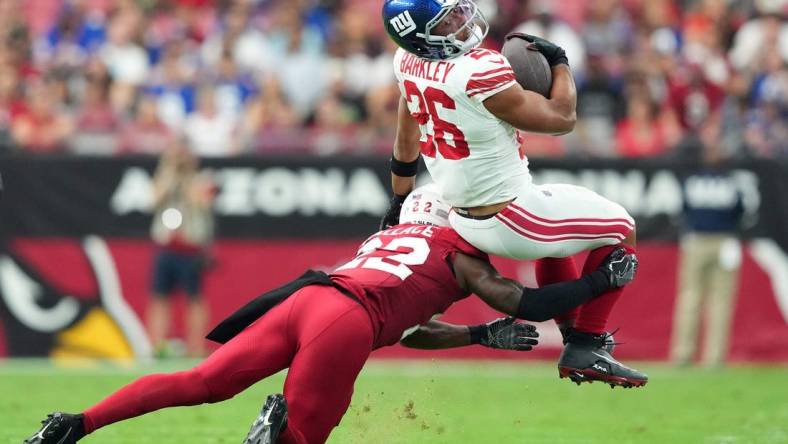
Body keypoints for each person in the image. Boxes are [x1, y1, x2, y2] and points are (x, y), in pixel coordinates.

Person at [24, 185, 638, 444]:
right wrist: (595, 285)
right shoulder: (463, 257)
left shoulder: (387, 240)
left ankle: (75, 425)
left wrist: (477, 334)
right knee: (300, 438)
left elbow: (404, 327)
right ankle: (275, 427)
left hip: (311, 296)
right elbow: (526, 301)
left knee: (200, 382)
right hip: (343, 321)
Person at [380, 0, 646, 386]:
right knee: (622, 229)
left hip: (463, 214)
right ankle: (588, 341)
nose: (460, 21)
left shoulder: (405, 61)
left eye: (457, 11)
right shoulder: (477, 70)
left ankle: (573, 336)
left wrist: (399, 198)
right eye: (446, 22)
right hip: (513, 216)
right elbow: (561, 120)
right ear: (420, 37)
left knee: (557, 237)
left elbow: (406, 138)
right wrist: (561, 63)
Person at [670, 144, 744, 367]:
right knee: (720, 301)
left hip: (697, 241)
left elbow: (683, 210)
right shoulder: (732, 183)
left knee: (690, 298)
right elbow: (740, 212)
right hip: (724, 241)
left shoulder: (692, 182)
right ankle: (715, 357)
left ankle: (683, 354)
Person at [148, 145, 215, 358]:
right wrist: (170, 173)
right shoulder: (163, 178)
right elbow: (153, 201)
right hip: (166, 246)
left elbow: (201, 202)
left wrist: (186, 178)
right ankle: (156, 346)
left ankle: (195, 347)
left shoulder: (201, 180)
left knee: (194, 299)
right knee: (159, 298)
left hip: (190, 248)